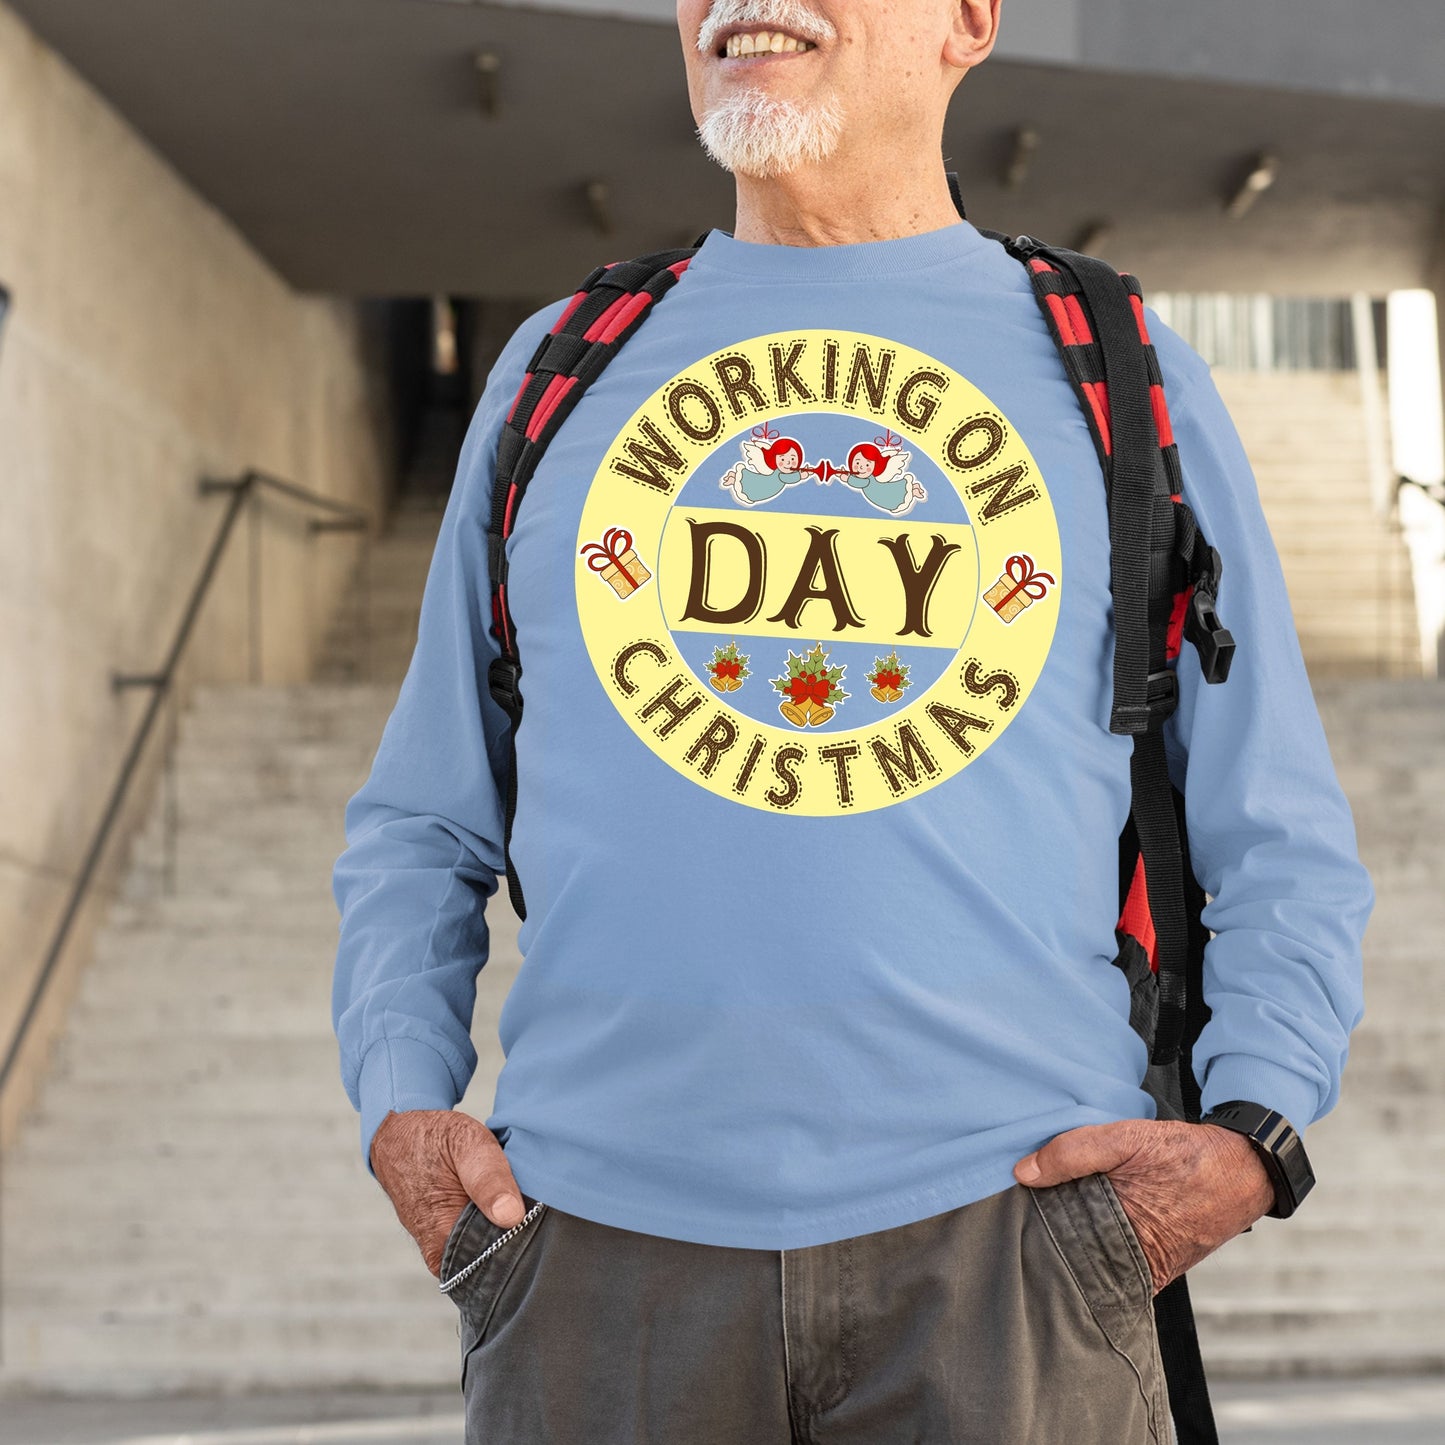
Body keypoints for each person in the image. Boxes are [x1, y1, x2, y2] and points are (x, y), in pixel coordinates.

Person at [329, 2, 1373, 1440]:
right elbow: (421, 817)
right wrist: (401, 1098)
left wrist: (1251, 1132)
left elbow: (1275, 825)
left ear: (969, 18)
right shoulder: (559, 366)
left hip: (1012, 1246)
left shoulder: (1122, 370)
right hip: (592, 1256)